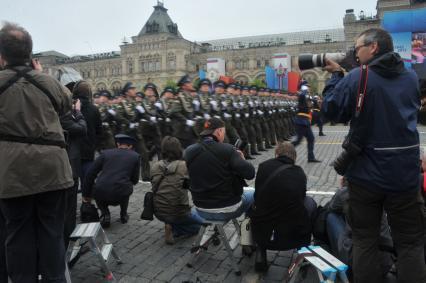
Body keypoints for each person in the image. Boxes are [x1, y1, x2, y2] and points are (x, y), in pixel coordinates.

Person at [322, 28, 426, 282]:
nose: (355, 55)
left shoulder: (359, 76)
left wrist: (337, 75)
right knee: (411, 244)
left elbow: (331, 110)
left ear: (374, 47)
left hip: (366, 176)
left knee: (364, 241)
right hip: (405, 174)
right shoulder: (410, 76)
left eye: (357, 49)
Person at [0, 22, 74, 283]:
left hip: (11, 172)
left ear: (1, 55)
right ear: (31, 56)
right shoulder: (49, 83)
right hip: (52, 170)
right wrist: (40, 74)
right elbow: (68, 106)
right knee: (52, 232)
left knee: (18, 233)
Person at [251, 142, 317, 271]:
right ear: (294, 157)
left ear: (276, 154)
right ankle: (302, 249)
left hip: (264, 231)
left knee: (257, 204)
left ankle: (260, 253)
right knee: (310, 203)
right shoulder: (299, 173)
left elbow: (257, 194)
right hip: (290, 232)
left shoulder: (263, 166)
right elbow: (301, 197)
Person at [184, 117, 255, 222]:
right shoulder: (228, 149)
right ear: (219, 131)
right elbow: (250, 174)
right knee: (253, 193)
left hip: (200, 208)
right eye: (224, 132)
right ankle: (250, 231)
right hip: (227, 208)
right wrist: (242, 159)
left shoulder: (189, 151)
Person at [151, 136, 204, 245]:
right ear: (178, 149)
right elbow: (192, 186)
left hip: (158, 211)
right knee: (203, 226)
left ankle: (170, 224)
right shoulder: (184, 166)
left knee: (169, 199)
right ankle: (176, 229)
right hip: (180, 212)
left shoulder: (155, 166)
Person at [83, 134, 140, 228]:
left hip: (101, 192)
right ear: (130, 146)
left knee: (99, 190)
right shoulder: (135, 156)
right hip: (121, 193)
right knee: (126, 186)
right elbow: (135, 180)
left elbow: (90, 174)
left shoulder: (105, 153)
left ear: (118, 144)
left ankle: (105, 214)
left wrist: (86, 195)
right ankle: (123, 215)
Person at [60, 97, 87, 247]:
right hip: (68, 168)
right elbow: (82, 128)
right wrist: (77, 111)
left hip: (65, 167)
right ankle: (67, 246)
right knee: (68, 210)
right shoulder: (64, 116)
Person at [292, 81, 321, 163]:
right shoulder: (301, 95)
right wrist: (303, 90)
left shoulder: (307, 97)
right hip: (300, 121)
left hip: (306, 121)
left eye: (308, 86)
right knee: (298, 140)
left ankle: (310, 157)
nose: (308, 88)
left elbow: (313, 103)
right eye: (306, 86)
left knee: (311, 139)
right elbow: (301, 95)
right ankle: (283, 152)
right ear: (303, 87)